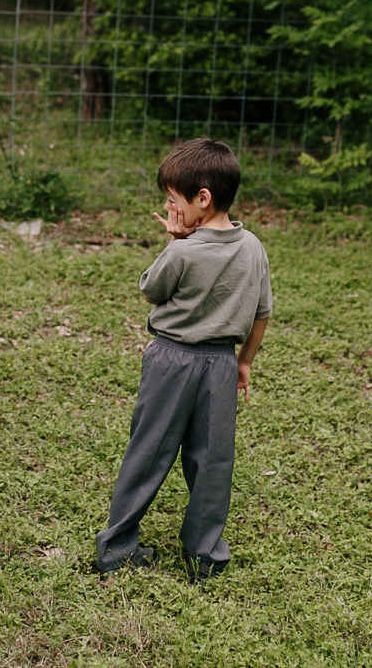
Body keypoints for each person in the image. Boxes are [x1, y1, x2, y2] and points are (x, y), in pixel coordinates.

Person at [95, 138, 271, 582]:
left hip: (171, 360)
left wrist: (174, 240)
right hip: (222, 363)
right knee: (212, 460)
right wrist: (245, 362)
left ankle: (117, 550)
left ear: (202, 199)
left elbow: (151, 288)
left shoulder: (183, 249)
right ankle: (204, 556)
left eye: (173, 202)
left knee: (149, 450)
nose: (170, 210)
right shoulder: (253, 248)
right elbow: (261, 312)